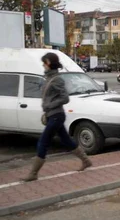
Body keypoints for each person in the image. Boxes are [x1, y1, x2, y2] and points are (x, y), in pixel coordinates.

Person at [23, 53, 92, 182]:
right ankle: (86, 161)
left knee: (42, 142)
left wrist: (49, 105)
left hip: (56, 115)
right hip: (51, 115)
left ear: (48, 63)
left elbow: (65, 98)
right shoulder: (48, 78)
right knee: (66, 141)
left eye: (44, 62)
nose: (43, 65)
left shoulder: (57, 79)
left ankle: (33, 173)